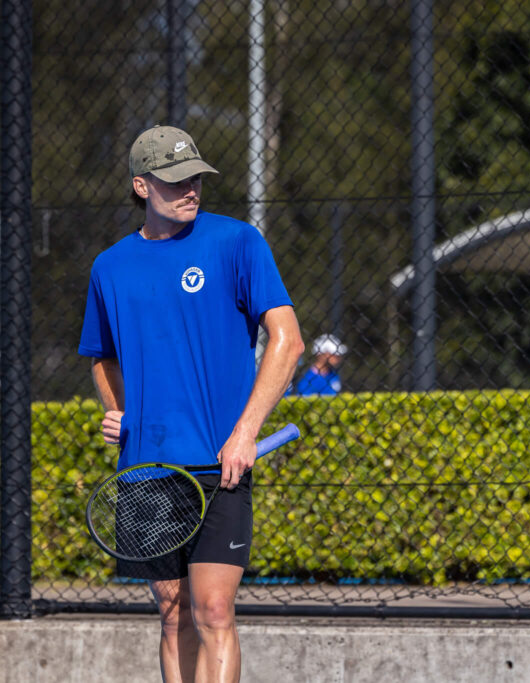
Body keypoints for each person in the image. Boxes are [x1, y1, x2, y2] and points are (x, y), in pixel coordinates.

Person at [79, 124, 305, 683]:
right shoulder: (110, 267)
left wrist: (246, 431)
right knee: (172, 611)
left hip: (219, 466)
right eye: (174, 181)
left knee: (213, 610)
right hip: (148, 469)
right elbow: (102, 358)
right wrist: (119, 410)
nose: (190, 190)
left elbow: (288, 339)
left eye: (196, 178)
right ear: (140, 185)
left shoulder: (236, 242)